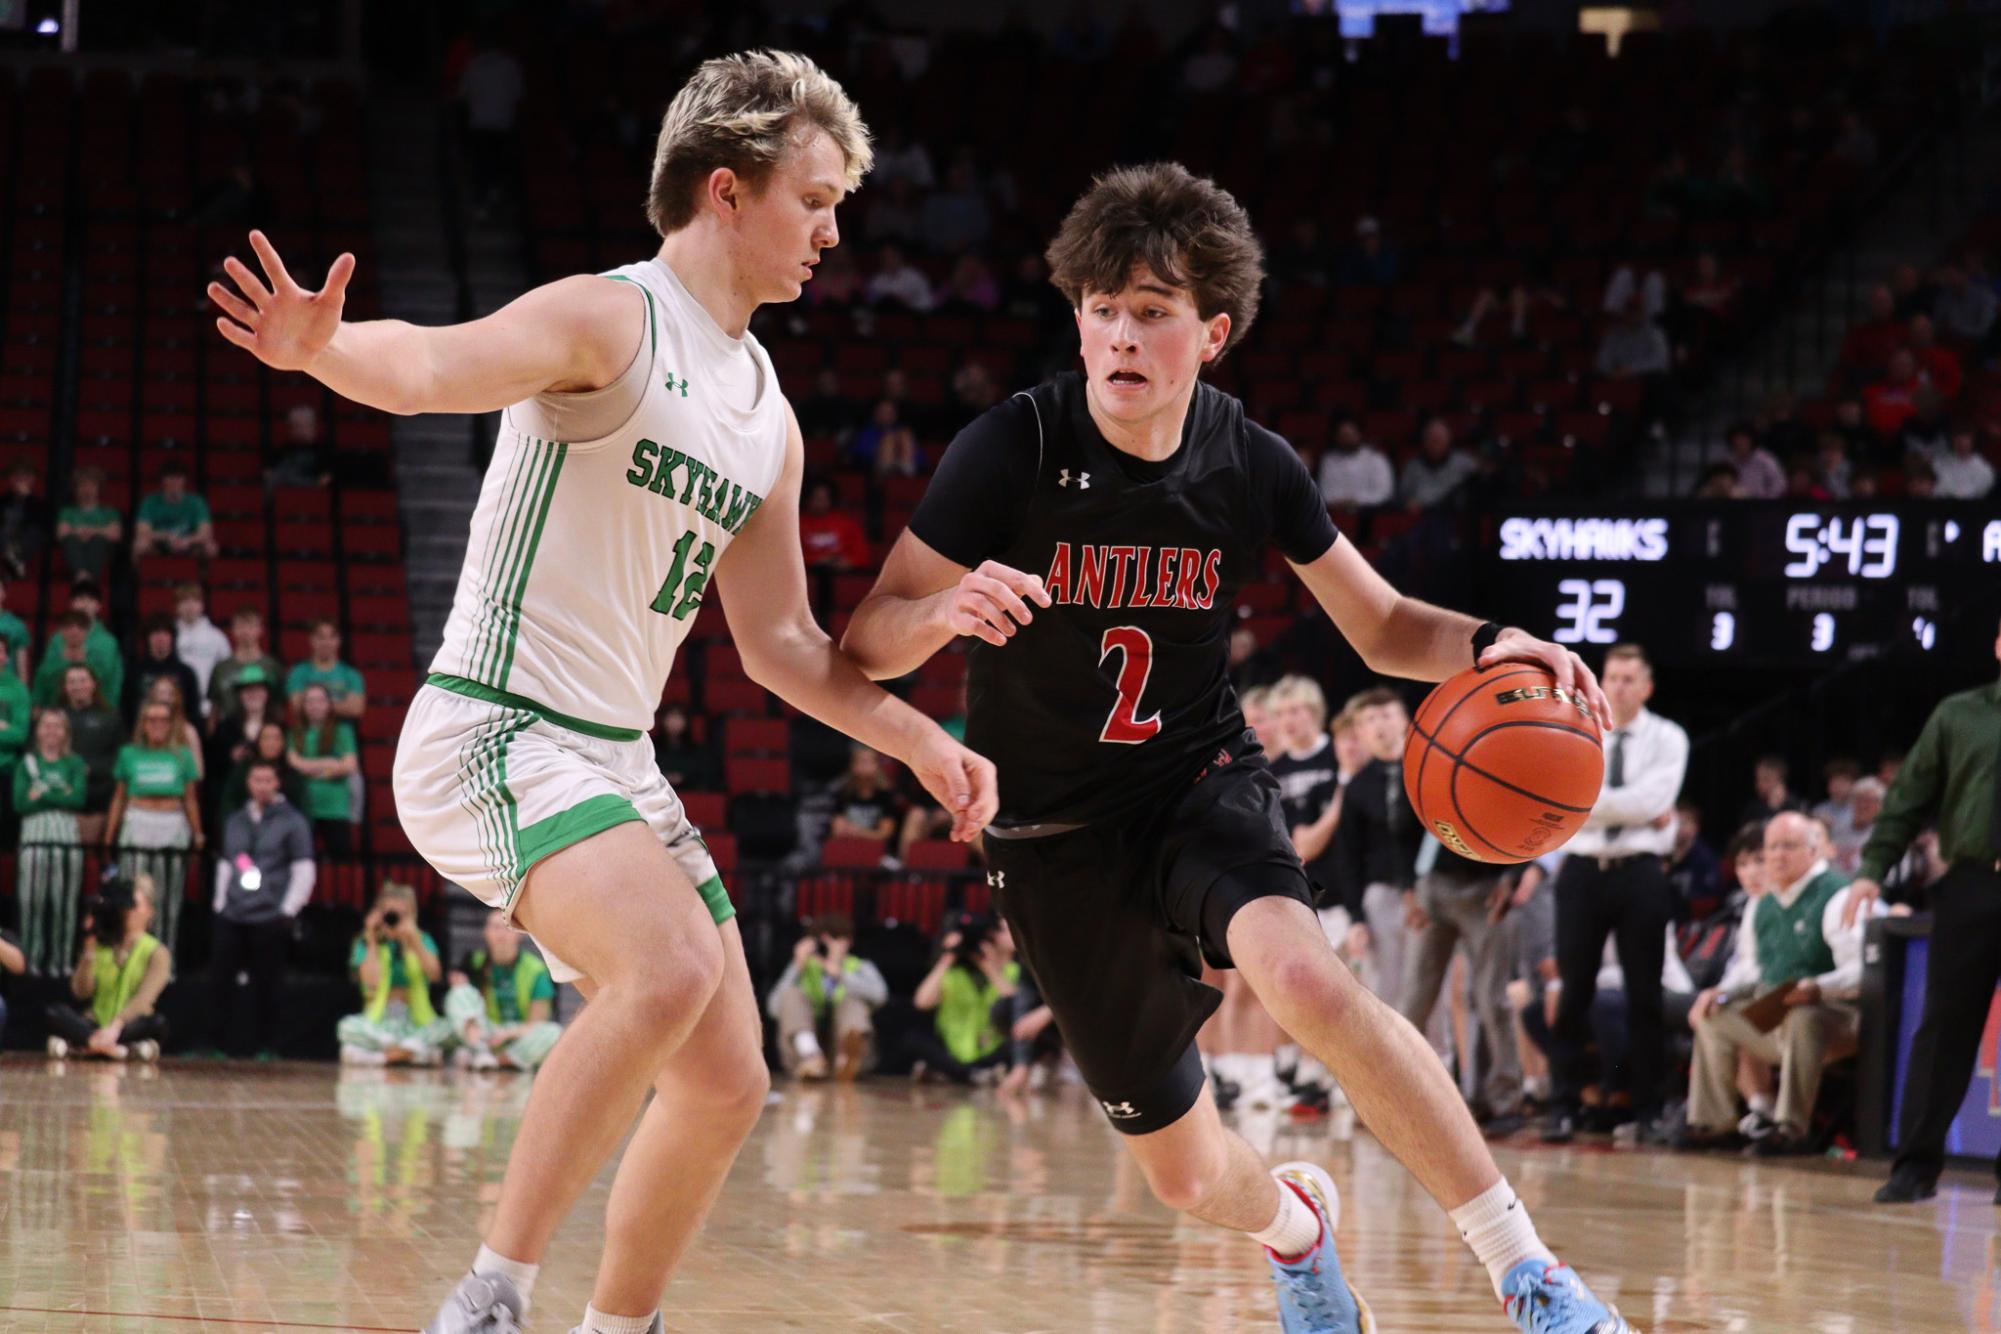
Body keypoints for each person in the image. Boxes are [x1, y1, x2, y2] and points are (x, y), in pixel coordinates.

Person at [211, 50, 995, 1334]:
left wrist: (921, 738)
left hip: (610, 757)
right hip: (495, 724)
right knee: (673, 962)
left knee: (731, 1077)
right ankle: (490, 1297)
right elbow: (430, 366)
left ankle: (613, 1326)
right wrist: (326, 351)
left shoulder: (767, 412)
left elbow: (785, 645)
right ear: (727, 192)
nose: (833, 229)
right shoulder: (607, 318)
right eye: (815, 198)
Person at [841, 162, 1630, 1331]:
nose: (1119, 334)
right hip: (1052, 837)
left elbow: (1383, 624)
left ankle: (1528, 1271)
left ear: (1211, 332)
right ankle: (1298, 1232)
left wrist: (1493, 641)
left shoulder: (1249, 459)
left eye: (1151, 311)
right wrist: (942, 612)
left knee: (1308, 975)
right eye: (1100, 308)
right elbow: (865, 640)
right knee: (1187, 1172)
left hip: (1195, 781)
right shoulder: (1012, 446)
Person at [1852, 614, 2001, 1205]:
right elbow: (1908, 797)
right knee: (1944, 1028)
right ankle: (1915, 1166)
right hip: (1970, 884)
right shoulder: (1959, 714)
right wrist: (1871, 870)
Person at [1542, 644, 1688, 1145]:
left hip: (1641, 872)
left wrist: (1587, 801)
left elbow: (1653, 799)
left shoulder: (1669, 737)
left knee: (1646, 993)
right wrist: (1630, 808)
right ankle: (1563, 1105)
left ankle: (1649, 1109)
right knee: (1573, 992)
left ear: (1647, 687)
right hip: (1581, 871)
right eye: (1613, 676)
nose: (1619, 686)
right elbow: (1560, 795)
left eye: (1629, 678)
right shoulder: (1574, 724)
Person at [1679, 813, 1874, 1155]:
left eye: (1789, 846)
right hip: (1776, 1013)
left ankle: (1790, 1129)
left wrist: (1817, 987)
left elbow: (1862, 972)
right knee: (1713, 1016)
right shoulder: (1761, 903)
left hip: (1840, 1018)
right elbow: (1753, 970)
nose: (1777, 856)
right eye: (1772, 848)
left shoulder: (1836, 895)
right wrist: (1719, 992)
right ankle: (1714, 1124)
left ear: (1814, 851)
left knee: (1804, 1016)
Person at [209, 759, 315, 1057]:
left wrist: (288, 910)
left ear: (277, 783)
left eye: (268, 780)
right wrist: (219, 906)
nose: (262, 786)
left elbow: (304, 869)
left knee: (267, 984)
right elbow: (229, 863)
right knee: (221, 981)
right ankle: (219, 1045)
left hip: (270, 915)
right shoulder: (236, 820)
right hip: (233, 913)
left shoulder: (293, 822)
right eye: (257, 779)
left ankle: (267, 1046)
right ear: (248, 783)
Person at [104, 692, 205, 954]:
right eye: (151, 720)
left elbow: (191, 799)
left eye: (163, 720)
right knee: (135, 894)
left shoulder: (183, 755)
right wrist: (109, 835)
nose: (157, 725)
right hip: (138, 821)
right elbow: (119, 798)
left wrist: (198, 833)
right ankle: (131, 953)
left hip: (171, 824)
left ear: (172, 724)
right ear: (143, 723)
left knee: (168, 896)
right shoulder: (129, 753)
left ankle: (163, 957)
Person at [45, 869, 171, 1062]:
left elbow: (144, 998)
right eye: (124, 906)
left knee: (157, 1023)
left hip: (128, 1025)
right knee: (55, 1013)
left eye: (134, 905)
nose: (128, 911)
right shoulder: (102, 943)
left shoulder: (157, 952)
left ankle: (86, 1047)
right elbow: (80, 992)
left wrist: (117, 1025)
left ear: (149, 912)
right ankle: (118, 1050)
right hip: (95, 1023)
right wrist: (88, 951)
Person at [337, 881, 449, 1065]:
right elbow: (370, 981)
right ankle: (413, 1054)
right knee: (346, 1027)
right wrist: (372, 938)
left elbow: (435, 974)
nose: (394, 920)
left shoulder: (422, 939)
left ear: (412, 915)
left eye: (401, 915)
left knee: (446, 1029)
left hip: (416, 1021)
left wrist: (413, 941)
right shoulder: (367, 941)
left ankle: (382, 1057)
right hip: (380, 1022)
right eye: (390, 914)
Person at [765, 911, 887, 1080]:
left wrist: (841, 975)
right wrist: (797, 966)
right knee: (792, 995)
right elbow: (773, 1008)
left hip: (841, 1046)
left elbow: (881, 997)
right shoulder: (800, 969)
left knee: (852, 1001)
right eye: (823, 941)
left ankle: (847, 1058)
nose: (829, 945)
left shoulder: (860, 967)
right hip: (801, 1053)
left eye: (835, 939)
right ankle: (810, 1056)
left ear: (849, 941)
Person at [14, 709, 90, 974]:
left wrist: (42, 792)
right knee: (31, 900)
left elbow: (78, 799)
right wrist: (61, 791)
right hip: (34, 833)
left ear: (66, 732)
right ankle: (30, 960)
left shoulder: (75, 763)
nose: (51, 731)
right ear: (37, 730)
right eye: (46, 725)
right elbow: (20, 802)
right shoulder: (27, 763)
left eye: (58, 726)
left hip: (65, 834)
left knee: (63, 901)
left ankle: (62, 961)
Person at [446, 911, 565, 1072]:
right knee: (459, 992)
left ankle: (495, 1060)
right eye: (495, 927)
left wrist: (507, 1033)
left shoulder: (536, 970)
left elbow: (537, 1023)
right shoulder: (473, 962)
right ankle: (479, 1049)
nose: (501, 934)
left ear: (520, 934)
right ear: (486, 932)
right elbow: (464, 1003)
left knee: (553, 1032)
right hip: (484, 1032)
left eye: (507, 928)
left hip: (516, 1035)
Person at [908, 914, 1018, 1084]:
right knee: (914, 1039)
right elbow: (921, 1002)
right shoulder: (953, 974)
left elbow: (1016, 1004)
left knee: (1018, 1044)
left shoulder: (1013, 971)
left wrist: (988, 966)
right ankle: (973, 1074)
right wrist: (946, 958)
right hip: (954, 1048)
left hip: (992, 1047)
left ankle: (955, 1073)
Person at [287, 682, 359, 854]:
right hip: (303, 807)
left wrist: (311, 769)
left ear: (329, 704)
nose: (315, 706)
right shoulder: (294, 732)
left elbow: (350, 765)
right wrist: (331, 765)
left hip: (336, 808)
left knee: (340, 866)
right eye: (310, 701)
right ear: (303, 706)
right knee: (303, 859)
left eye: (320, 700)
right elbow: (294, 764)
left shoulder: (343, 730)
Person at [60, 664, 121, 837]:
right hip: (61, 796)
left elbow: (120, 758)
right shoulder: (55, 717)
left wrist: (91, 768)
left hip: (99, 797)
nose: (77, 686)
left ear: (93, 684)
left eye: (82, 680)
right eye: (71, 681)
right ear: (65, 687)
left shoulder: (111, 717)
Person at [33, 605, 122, 711]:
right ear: (60, 631)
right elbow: (36, 704)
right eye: (69, 626)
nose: (75, 631)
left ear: (87, 631)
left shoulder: (99, 668)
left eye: (80, 626)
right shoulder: (46, 669)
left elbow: (111, 697)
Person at [207, 607, 287, 720]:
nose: (245, 631)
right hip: (229, 730)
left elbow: (279, 707)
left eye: (250, 626)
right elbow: (214, 708)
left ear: (260, 629)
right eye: (240, 626)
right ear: (233, 630)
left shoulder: (273, 666)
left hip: (265, 731)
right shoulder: (221, 668)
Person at [132, 462, 219, 559]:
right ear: (163, 480)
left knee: (210, 547)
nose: (174, 482)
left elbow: (205, 533)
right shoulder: (149, 501)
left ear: (184, 480)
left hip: (188, 544)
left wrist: (187, 540)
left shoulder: (197, 502)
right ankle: (140, 574)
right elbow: (142, 532)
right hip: (159, 545)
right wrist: (166, 536)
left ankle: (203, 574)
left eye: (178, 477)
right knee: (140, 545)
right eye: (170, 478)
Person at [284, 620, 366, 721]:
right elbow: (296, 707)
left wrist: (313, 705)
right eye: (320, 637)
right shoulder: (298, 673)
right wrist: (340, 706)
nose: (326, 642)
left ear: (339, 640)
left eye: (332, 637)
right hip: (307, 735)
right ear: (311, 640)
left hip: (342, 735)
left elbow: (356, 709)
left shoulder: (351, 674)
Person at [173, 584, 234, 713]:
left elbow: (227, 671)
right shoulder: (170, 636)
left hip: (207, 708)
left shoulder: (217, 637)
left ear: (202, 605)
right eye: (184, 601)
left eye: (194, 601)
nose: (189, 606)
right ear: (177, 606)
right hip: (175, 706)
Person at [54, 467, 121, 581]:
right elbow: (61, 534)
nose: (87, 489)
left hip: (101, 550)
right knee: (71, 540)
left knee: (97, 541)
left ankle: (88, 581)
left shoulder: (109, 512)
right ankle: (83, 576)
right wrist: (83, 532)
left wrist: (89, 532)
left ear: (99, 488)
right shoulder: (67, 512)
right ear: (76, 489)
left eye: (91, 485)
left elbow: (115, 535)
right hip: (74, 548)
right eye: (83, 485)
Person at [0, 458, 49, 580]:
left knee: (34, 533)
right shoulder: (2, 501)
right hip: (5, 538)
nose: (20, 480)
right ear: (10, 478)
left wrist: (27, 498)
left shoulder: (39, 504)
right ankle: (14, 564)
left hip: (24, 541)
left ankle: (12, 562)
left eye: (25, 476)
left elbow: (42, 524)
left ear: (32, 479)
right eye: (17, 476)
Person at [0, 577, 31, 682]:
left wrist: (23, 693)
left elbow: (22, 668)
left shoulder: (17, 626)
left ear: (3, 593)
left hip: (8, 688)